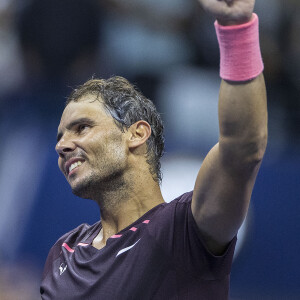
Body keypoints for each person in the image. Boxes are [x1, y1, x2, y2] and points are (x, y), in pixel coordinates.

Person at [40, 0, 268, 299]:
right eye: (60, 136)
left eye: (82, 128)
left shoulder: (187, 230)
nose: (62, 146)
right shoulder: (63, 252)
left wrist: (236, 29)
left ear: (136, 134)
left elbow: (243, 150)